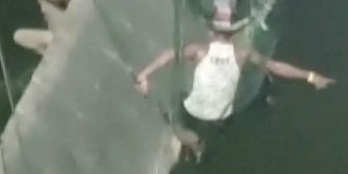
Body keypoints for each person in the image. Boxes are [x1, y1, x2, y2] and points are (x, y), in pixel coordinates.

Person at [135, 11, 335, 161]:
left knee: (180, 124)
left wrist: (144, 75)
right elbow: (276, 66)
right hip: (221, 108)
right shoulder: (241, 54)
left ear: (212, 32)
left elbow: (169, 55)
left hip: (200, 107)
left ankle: (197, 145)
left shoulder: (200, 51)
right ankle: (202, 143)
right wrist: (310, 76)